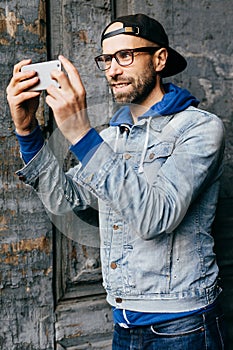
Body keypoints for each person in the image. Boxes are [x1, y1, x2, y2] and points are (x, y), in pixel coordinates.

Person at [6, 13, 227, 350]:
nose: (112, 69)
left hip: (183, 327)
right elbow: (68, 200)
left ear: (159, 59)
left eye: (125, 56)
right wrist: (28, 133)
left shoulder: (200, 128)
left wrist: (81, 133)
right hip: (123, 325)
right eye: (106, 59)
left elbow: (156, 216)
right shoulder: (110, 137)